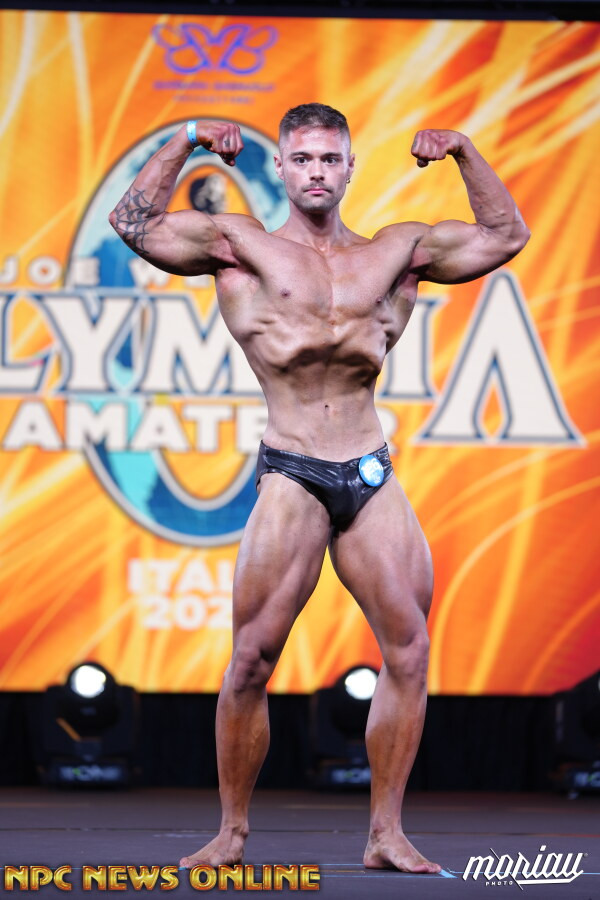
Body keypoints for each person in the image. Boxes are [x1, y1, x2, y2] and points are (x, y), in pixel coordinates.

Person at [109, 103, 530, 874]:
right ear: (280, 167)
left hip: (369, 468)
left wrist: (465, 151)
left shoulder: (395, 252)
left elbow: (505, 236)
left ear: (348, 168)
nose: (315, 172)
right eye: (301, 158)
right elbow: (132, 222)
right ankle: (232, 833)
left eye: (329, 159)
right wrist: (186, 139)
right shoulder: (238, 245)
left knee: (410, 650)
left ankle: (385, 834)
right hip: (294, 469)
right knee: (251, 661)